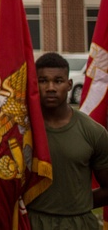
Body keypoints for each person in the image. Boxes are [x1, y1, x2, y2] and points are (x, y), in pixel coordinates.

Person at [25, 52, 108, 229]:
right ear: (34, 84)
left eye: (58, 81)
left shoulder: (92, 132)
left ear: (69, 84)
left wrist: (77, 206)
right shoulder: (23, 131)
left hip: (80, 224)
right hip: (33, 223)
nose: (51, 87)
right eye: (43, 81)